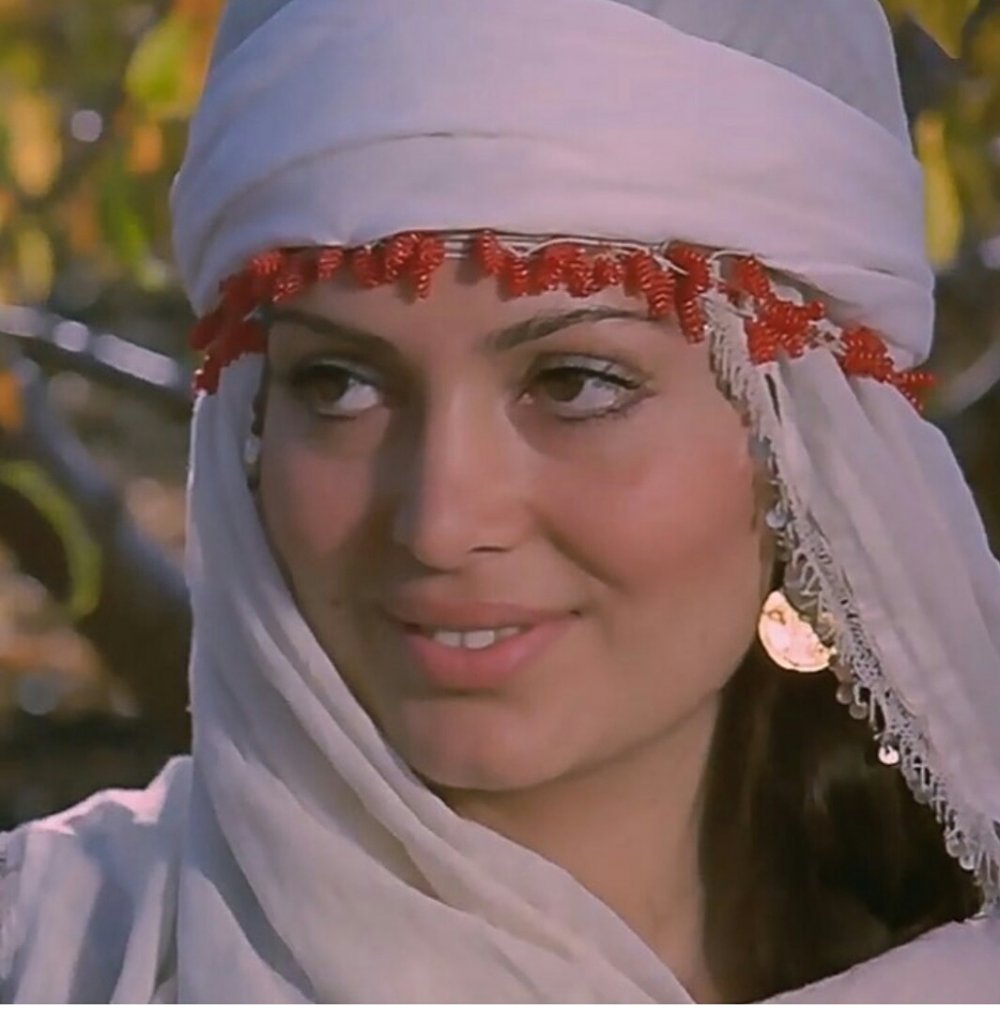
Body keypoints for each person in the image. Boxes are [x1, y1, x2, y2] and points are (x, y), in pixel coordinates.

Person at [2, 0, 1000, 1001]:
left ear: (802, 436)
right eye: (339, 384)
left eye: (575, 383)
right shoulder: (53, 951)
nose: (441, 523)